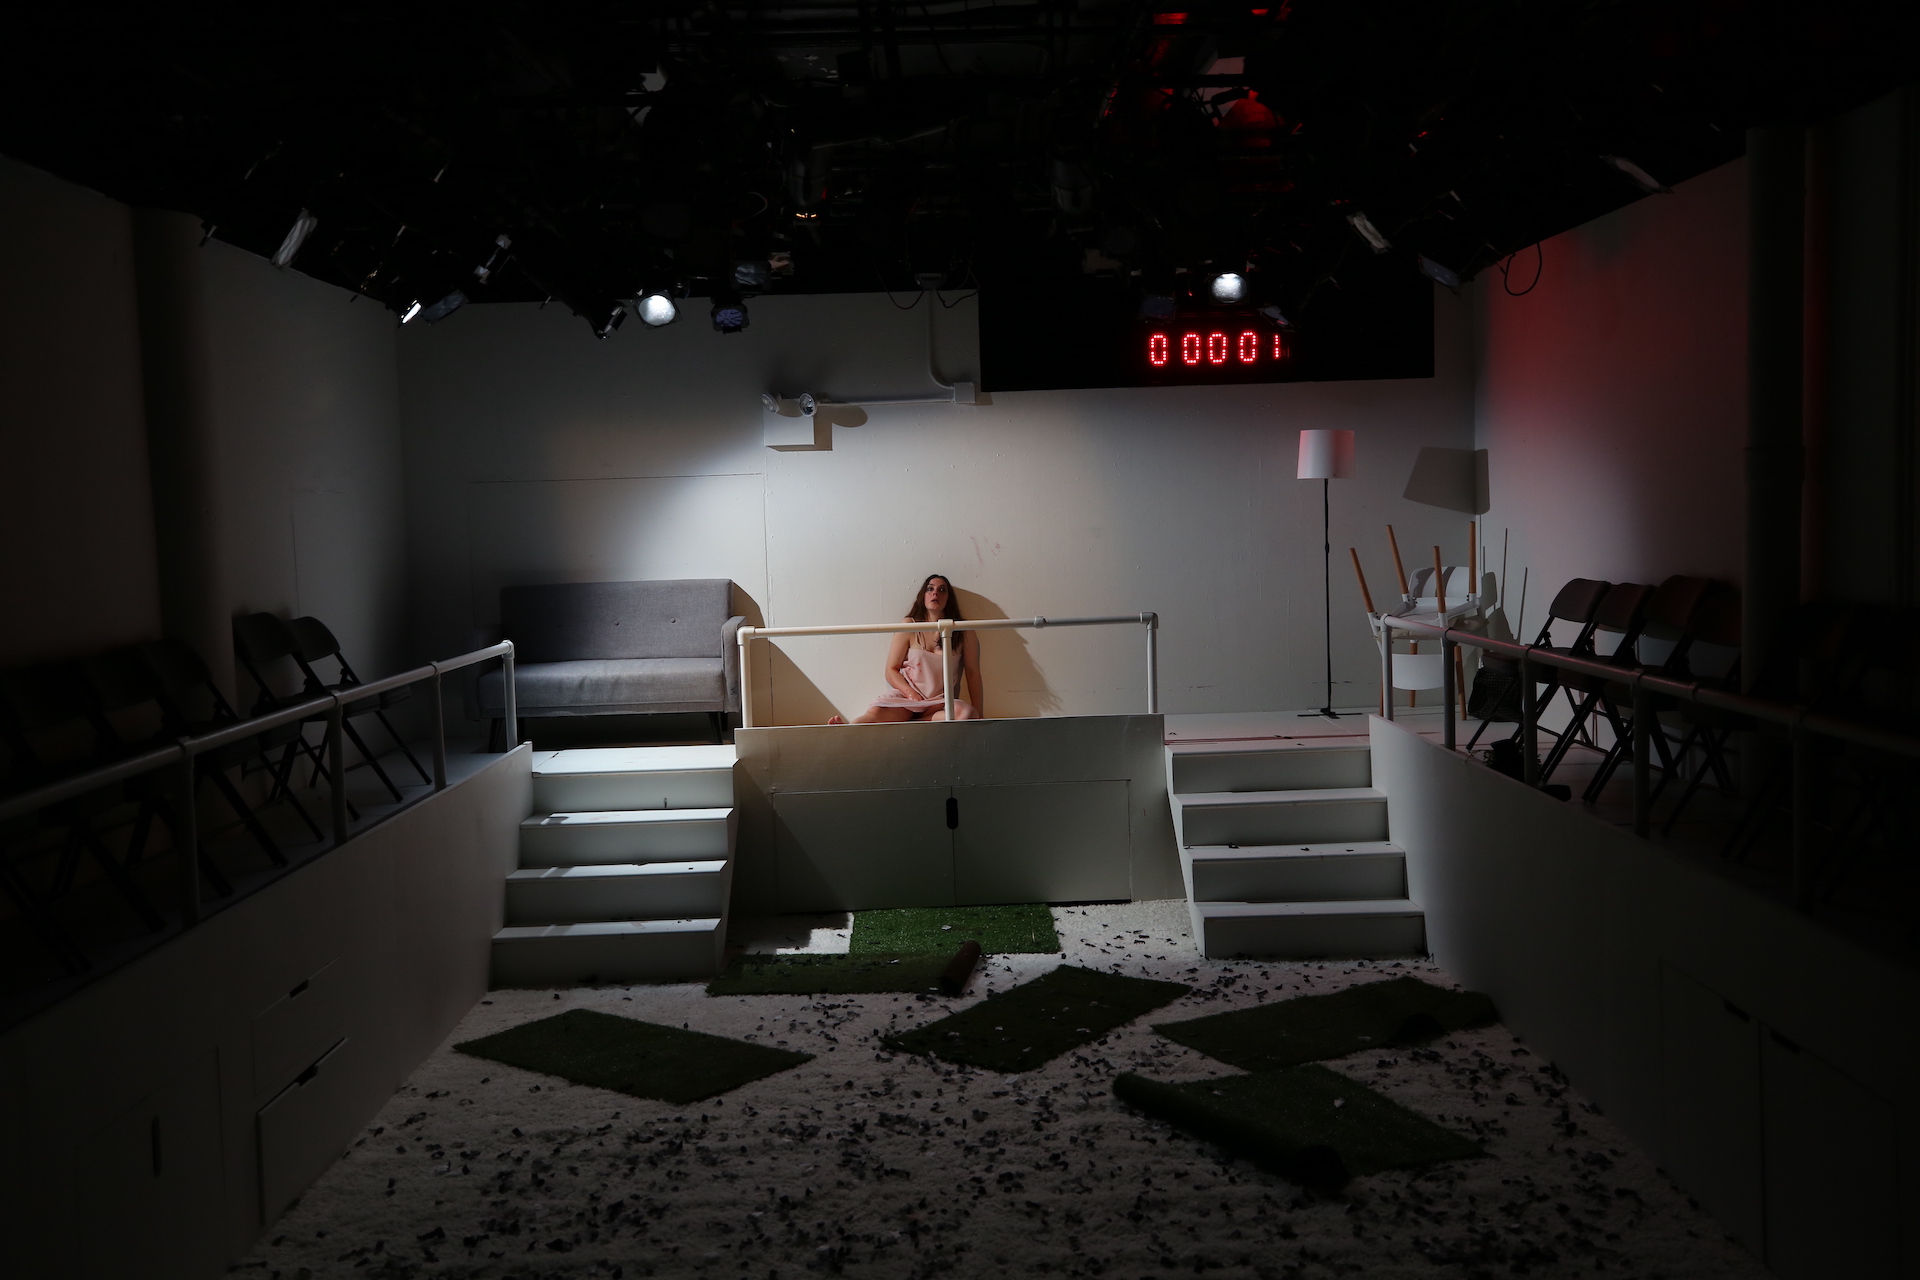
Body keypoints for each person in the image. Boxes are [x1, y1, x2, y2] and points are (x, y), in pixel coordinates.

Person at [830, 574, 983, 723]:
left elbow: (972, 672)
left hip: (939, 702)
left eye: (942, 590)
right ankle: (847, 729)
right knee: (875, 715)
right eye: (930, 589)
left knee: (968, 713)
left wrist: (980, 716)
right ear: (923, 595)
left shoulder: (962, 630)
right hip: (907, 699)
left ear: (949, 598)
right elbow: (891, 670)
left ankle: (917, 721)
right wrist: (911, 695)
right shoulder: (910, 625)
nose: (935, 593)